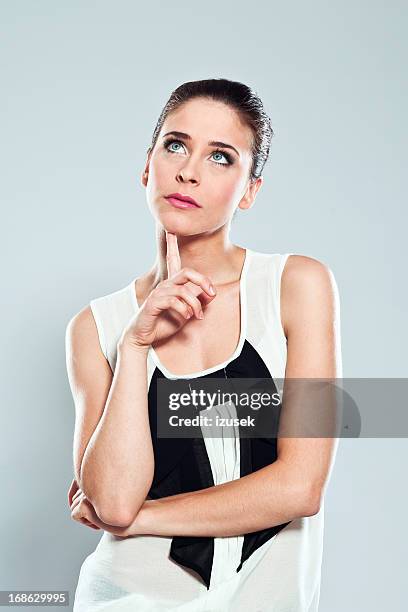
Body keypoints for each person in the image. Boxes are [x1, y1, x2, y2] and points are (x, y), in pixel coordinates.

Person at [66, 78, 342, 611]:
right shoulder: (96, 327)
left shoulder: (295, 286)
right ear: (148, 165)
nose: (189, 170)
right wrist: (136, 345)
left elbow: (300, 488)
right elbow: (114, 500)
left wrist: (145, 518)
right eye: (176, 145)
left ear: (250, 190)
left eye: (221, 157)